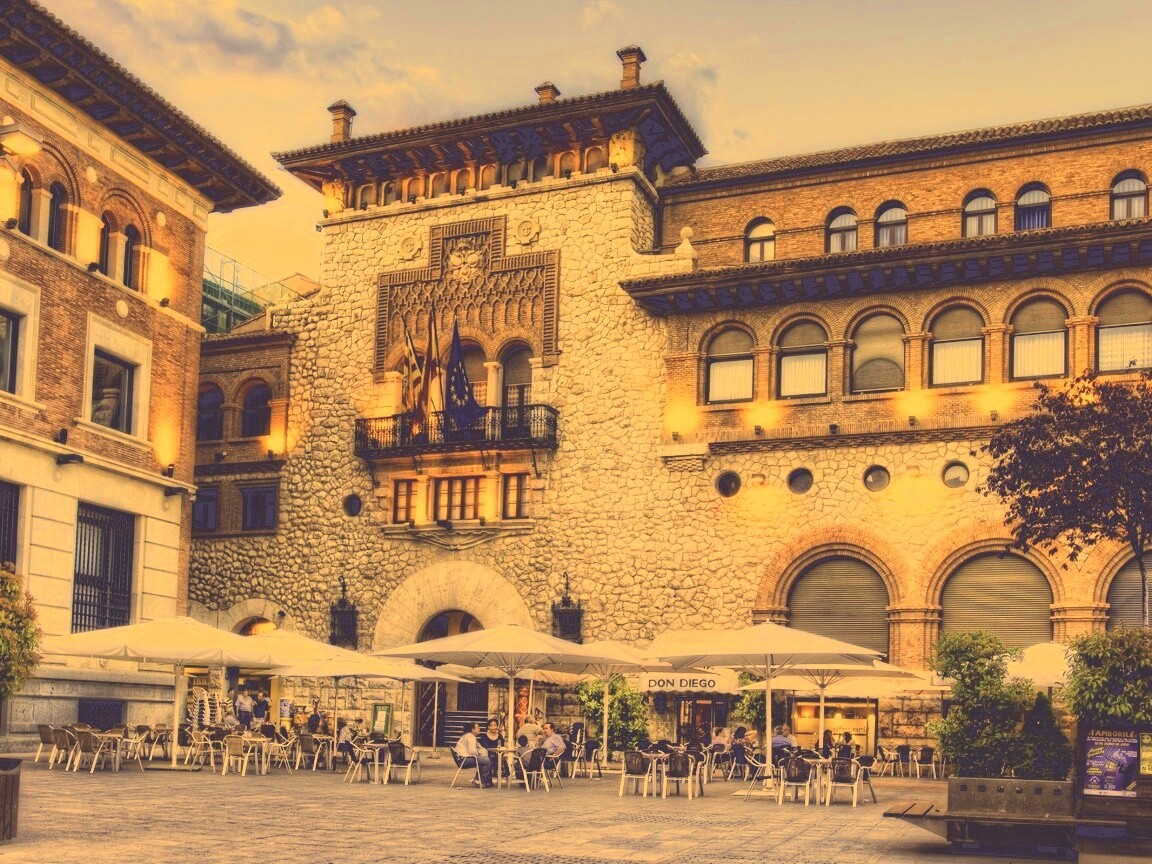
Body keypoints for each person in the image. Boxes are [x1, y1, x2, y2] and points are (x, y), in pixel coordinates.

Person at [454, 721, 493, 787]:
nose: (479, 728)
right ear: (473, 730)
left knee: (482, 760)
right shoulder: (471, 737)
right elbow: (472, 752)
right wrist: (480, 755)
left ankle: (478, 779)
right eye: (477, 727)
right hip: (464, 759)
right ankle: (482, 781)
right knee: (487, 761)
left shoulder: (467, 735)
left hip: (460, 759)